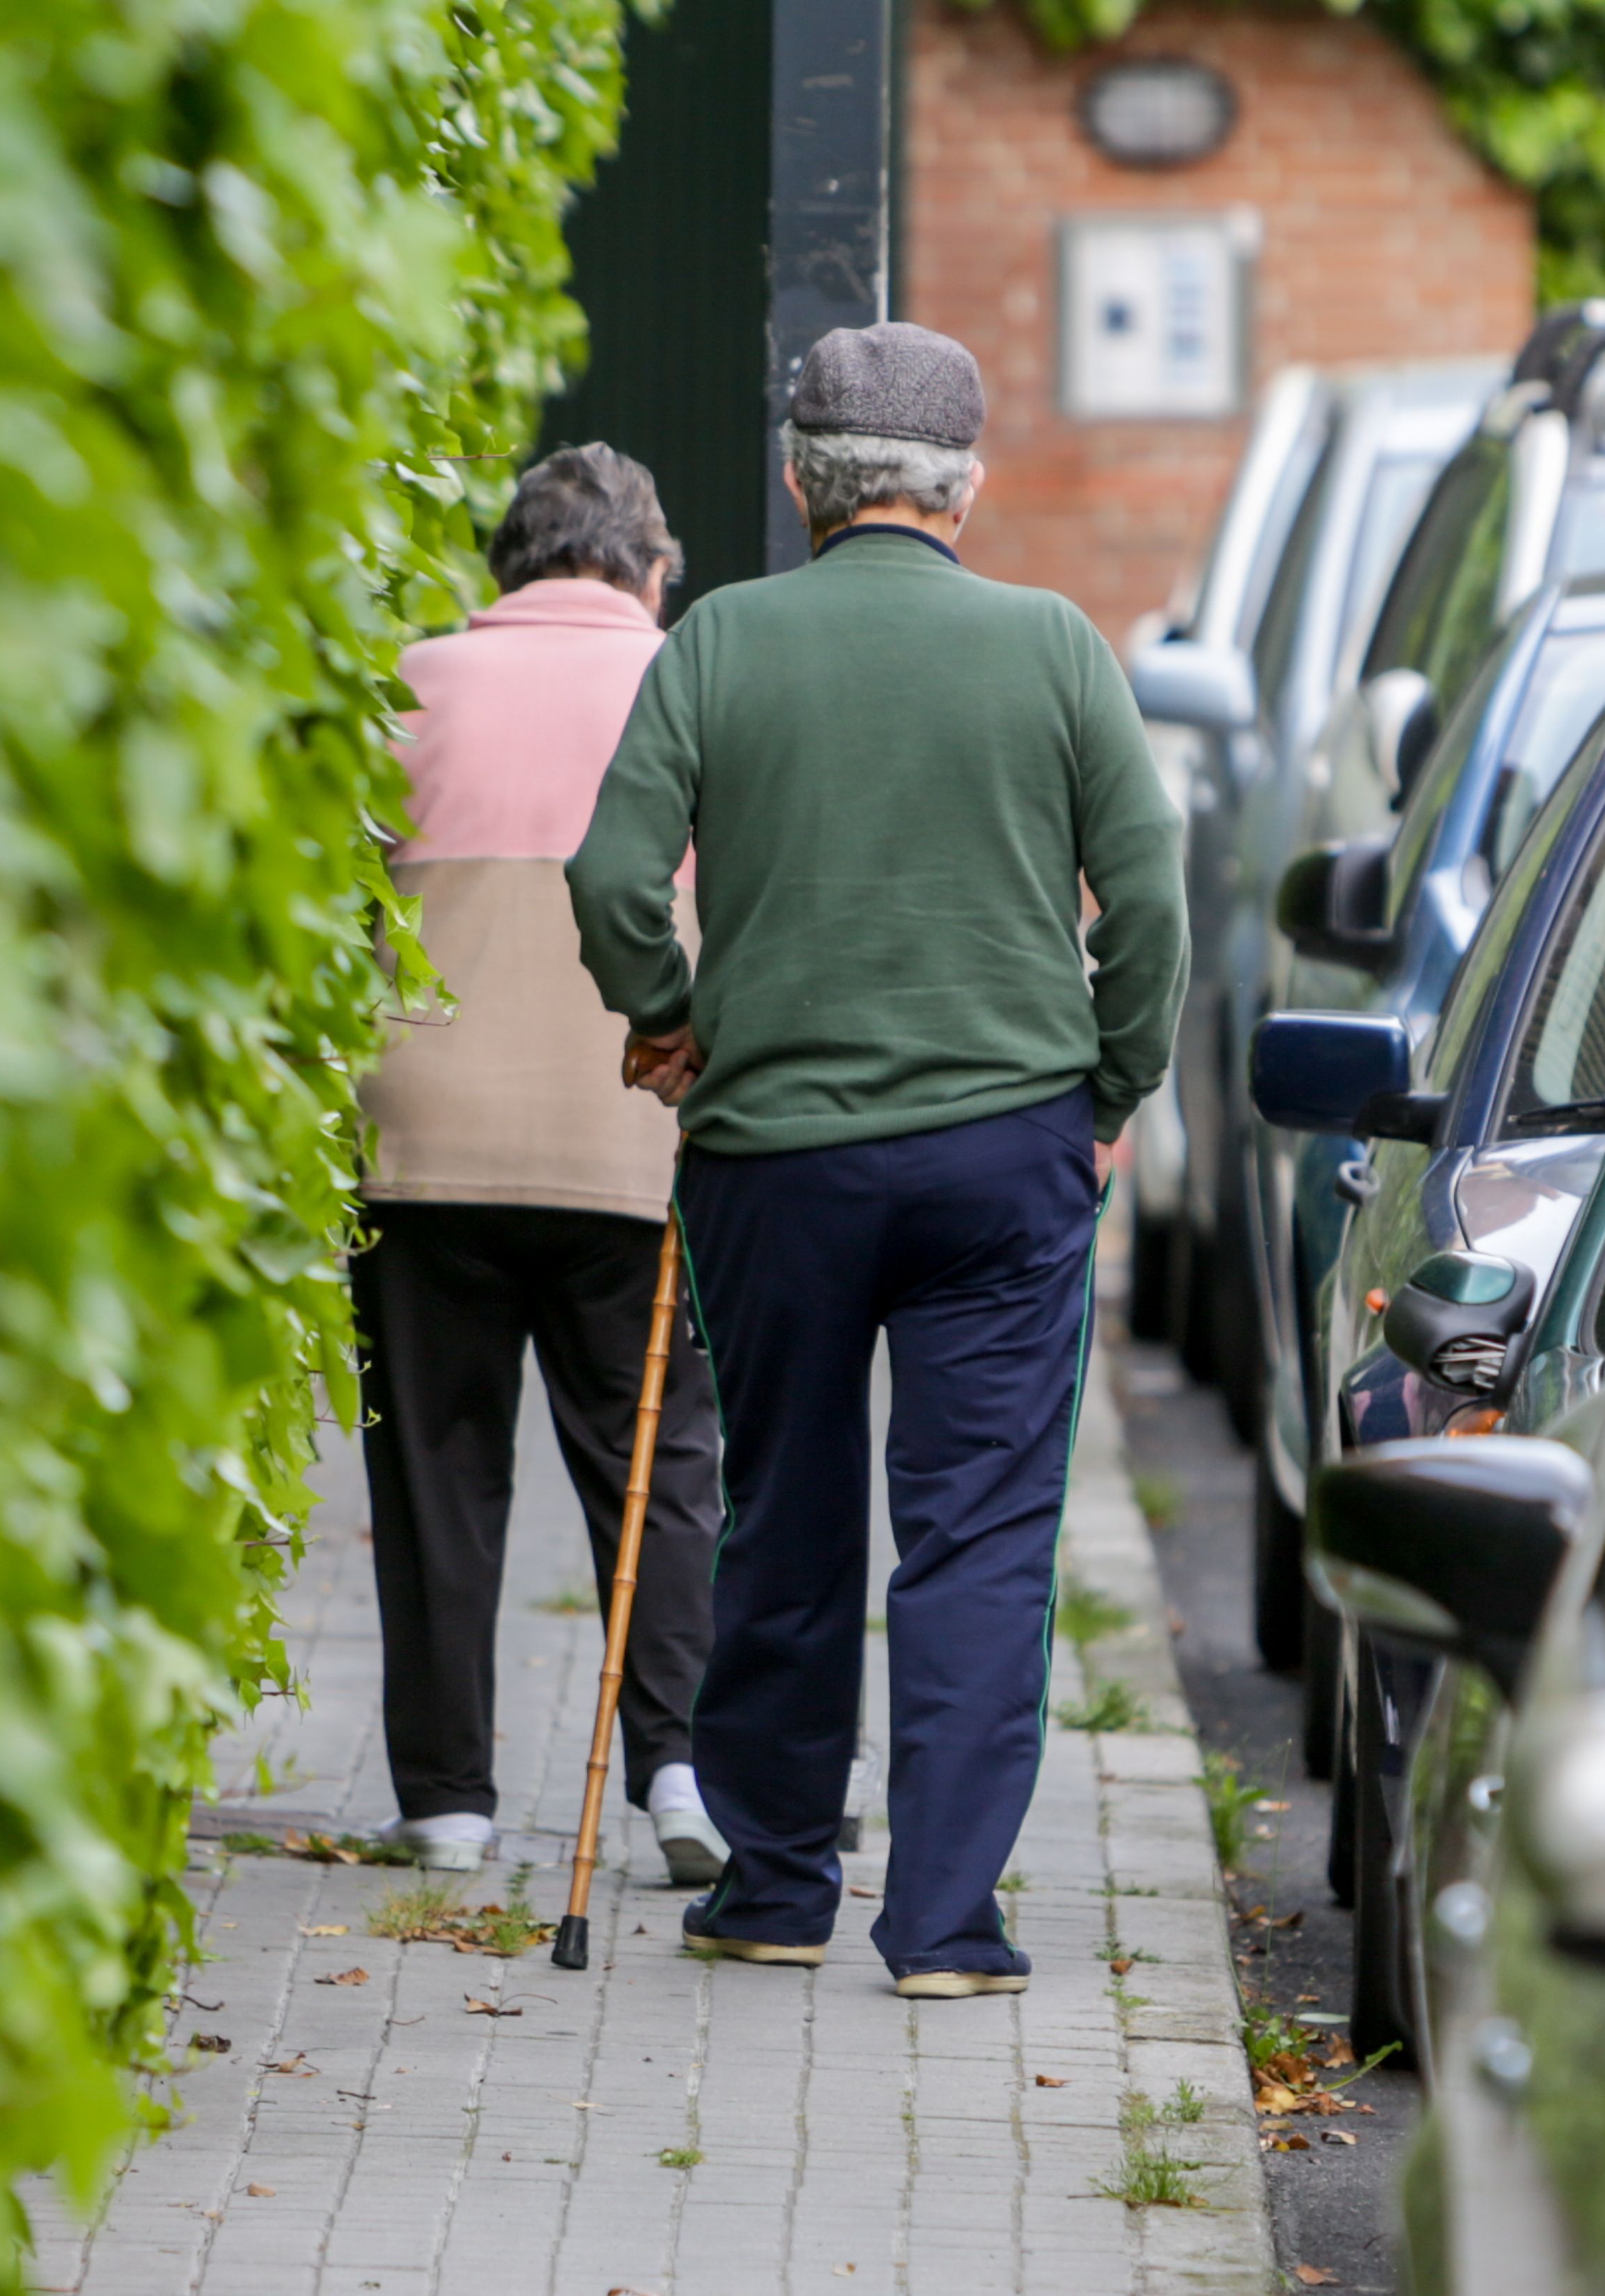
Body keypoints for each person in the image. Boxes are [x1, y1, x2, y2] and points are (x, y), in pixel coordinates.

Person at [564, 324, 1184, 1997]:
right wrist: (1112, 1082)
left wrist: (669, 1011)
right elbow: (1152, 899)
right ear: (966, 489)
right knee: (980, 1531)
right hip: (1007, 1155)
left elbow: (613, 872)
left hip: (777, 1156)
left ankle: (771, 1887)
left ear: (797, 479)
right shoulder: (1054, 647)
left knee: (786, 1510)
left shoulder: (718, 642)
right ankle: (944, 1926)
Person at [355, 443, 723, 1882]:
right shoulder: (687, 685)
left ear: (506, 568)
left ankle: (445, 1799)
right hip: (631, 1135)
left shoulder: (409, 678)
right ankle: (680, 1772)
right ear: (644, 569)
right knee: (659, 1462)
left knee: (435, 1467)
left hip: (424, 1137)